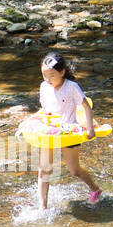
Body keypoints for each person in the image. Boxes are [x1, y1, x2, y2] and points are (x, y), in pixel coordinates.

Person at [35, 53, 103, 209]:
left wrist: (91, 128)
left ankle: (95, 189)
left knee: (74, 170)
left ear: (62, 72)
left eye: (51, 75)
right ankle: (42, 208)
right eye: (44, 75)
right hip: (50, 131)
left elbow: (86, 107)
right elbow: (45, 110)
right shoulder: (44, 87)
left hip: (69, 132)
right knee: (44, 169)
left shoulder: (71, 87)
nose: (47, 79)